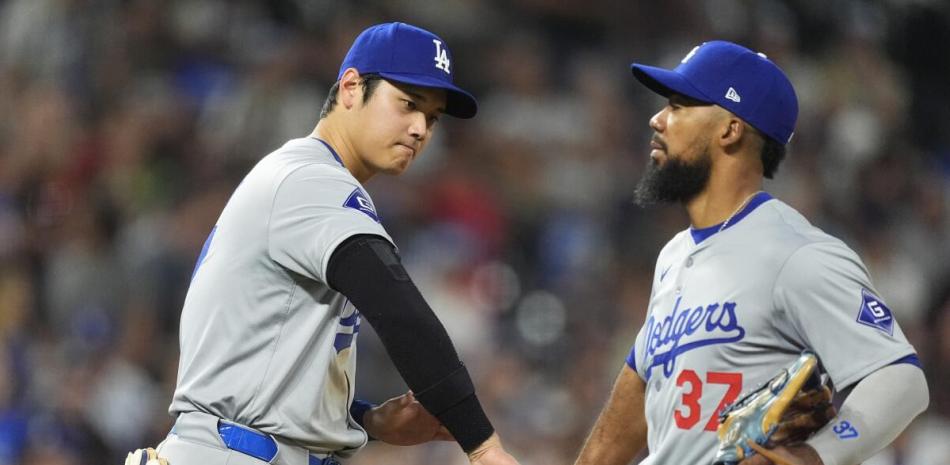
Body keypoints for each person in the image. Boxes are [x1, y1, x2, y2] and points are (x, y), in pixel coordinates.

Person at [133, 22, 520, 465]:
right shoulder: (311, 179)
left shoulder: (303, 179)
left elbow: (266, 363)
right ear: (352, 87)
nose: (420, 129)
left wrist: (366, 421)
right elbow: (398, 309)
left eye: (431, 117)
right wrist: (483, 444)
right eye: (408, 104)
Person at [573, 41, 929, 465]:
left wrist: (817, 455)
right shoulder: (673, 255)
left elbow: (902, 379)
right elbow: (636, 396)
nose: (658, 119)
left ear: (730, 129)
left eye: (679, 105)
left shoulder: (796, 253)